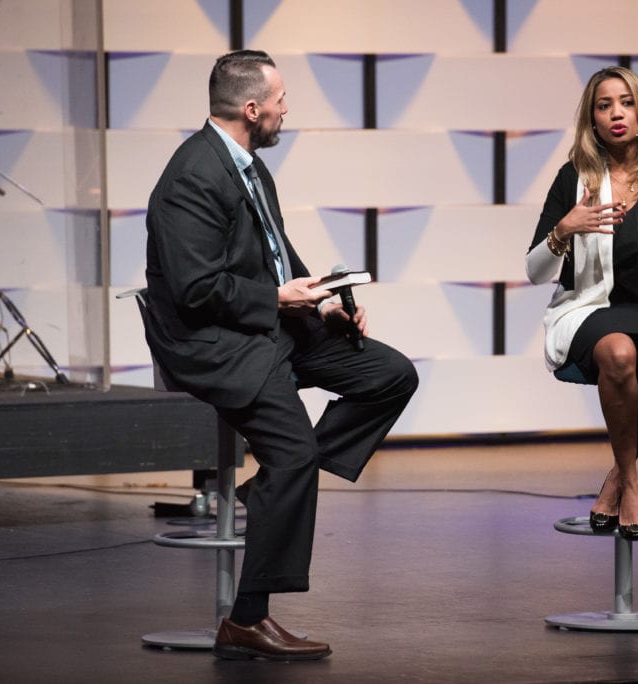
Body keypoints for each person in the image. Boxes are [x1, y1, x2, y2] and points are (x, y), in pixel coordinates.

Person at [144, 50, 418, 661]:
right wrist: (276, 297)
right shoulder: (193, 175)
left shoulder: (249, 167)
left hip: (270, 323)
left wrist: (321, 304)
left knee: (390, 374)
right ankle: (246, 619)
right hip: (212, 340)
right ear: (251, 109)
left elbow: (274, 253)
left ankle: (272, 488)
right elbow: (195, 289)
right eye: (280, 100)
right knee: (293, 457)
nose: (285, 110)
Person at [526, 66, 638, 541]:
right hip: (587, 310)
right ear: (592, 120)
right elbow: (534, 270)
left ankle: (616, 480)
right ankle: (633, 487)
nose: (616, 113)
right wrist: (564, 229)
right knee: (619, 352)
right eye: (603, 105)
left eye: (625, 102)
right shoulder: (574, 178)